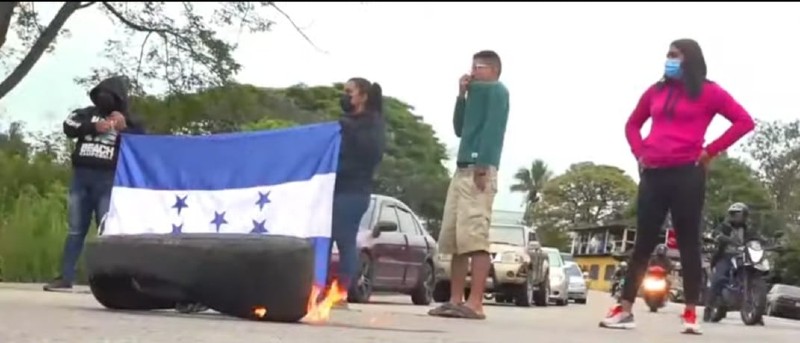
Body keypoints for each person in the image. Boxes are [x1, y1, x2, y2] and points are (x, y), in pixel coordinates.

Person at [599, 39, 755, 334]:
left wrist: (711, 151)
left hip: (688, 173)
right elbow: (632, 124)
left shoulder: (710, 92)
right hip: (654, 174)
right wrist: (640, 153)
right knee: (642, 243)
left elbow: (744, 121)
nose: (668, 60)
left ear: (690, 60)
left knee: (688, 244)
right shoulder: (656, 91)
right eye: (667, 55)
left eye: (674, 55)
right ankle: (625, 309)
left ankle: (690, 314)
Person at [428, 50, 510, 320]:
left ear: (494, 70)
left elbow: (493, 129)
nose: (473, 71)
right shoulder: (474, 94)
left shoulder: (498, 91)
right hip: (461, 169)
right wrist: (461, 96)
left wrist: (482, 164)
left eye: (480, 67)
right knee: (455, 239)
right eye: (472, 66)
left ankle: (476, 302)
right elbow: (459, 128)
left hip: (479, 169)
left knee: (475, 237)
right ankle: (455, 299)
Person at [44, 75, 145, 291]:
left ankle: (111, 281)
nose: (103, 98)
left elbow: (144, 141)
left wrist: (124, 128)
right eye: (100, 94)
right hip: (81, 177)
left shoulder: (128, 119)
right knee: (75, 230)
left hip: (108, 181)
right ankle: (65, 277)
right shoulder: (86, 114)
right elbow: (69, 125)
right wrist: (93, 127)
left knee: (106, 232)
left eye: (109, 95)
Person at [330, 77, 386, 306]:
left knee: (344, 241)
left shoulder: (372, 124)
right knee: (328, 239)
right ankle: (322, 289)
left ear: (363, 96)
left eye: (349, 92)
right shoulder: (347, 122)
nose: (345, 96)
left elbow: (368, 154)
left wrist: (348, 129)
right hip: (337, 189)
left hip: (353, 191)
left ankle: (341, 293)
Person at [703, 202, 755, 321]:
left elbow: (757, 238)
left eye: (744, 215)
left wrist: (771, 243)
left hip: (743, 257)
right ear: (732, 215)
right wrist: (722, 237)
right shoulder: (724, 226)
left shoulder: (747, 229)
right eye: (740, 215)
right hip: (726, 257)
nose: (742, 218)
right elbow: (716, 233)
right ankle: (708, 308)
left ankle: (756, 311)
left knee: (754, 274)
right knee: (718, 279)